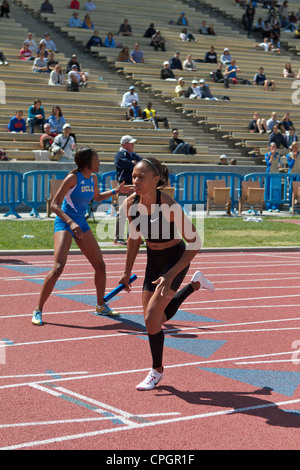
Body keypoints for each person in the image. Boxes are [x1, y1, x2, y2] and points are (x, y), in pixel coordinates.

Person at [118, 156, 214, 390]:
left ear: (155, 179)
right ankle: (195, 285)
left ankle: (156, 371)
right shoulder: (129, 204)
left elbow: (195, 242)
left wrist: (171, 274)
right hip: (153, 260)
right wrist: (126, 271)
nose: (135, 180)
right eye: (133, 176)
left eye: (141, 176)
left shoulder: (168, 205)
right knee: (155, 321)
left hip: (175, 259)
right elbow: (133, 238)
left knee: (152, 318)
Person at [31, 146, 125, 326]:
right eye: (96, 159)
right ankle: (38, 309)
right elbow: (55, 205)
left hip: (80, 223)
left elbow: (96, 198)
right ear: (87, 162)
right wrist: (71, 222)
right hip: (65, 222)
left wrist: (116, 191)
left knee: (100, 265)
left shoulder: (94, 178)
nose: (99, 162)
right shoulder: (72, 178)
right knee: (58, 267)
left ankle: (100, 305)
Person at [114, 135, 142, 245]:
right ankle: (118, 237)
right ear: (124, 144)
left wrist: (135, 164)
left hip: (134, 185)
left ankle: (133, 236)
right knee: (122, 211)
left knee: (135, 211)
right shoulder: (120, 154)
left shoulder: (132, 155)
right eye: (131, 143)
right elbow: (129, 166)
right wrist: (133, 164)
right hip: (124, 185)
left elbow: (142, 163)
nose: (133, 145)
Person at [264, 142, 283, 212]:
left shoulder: (278, 155)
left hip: (276, 173)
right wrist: (272, 156)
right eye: (272, 147)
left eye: (275, 147)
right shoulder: (267, 155)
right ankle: (269, 206)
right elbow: (268, 164)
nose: (273, 148)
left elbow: (280, 162)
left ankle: (275, 206)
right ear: (270, 148)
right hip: (269, 173)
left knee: (276, 190)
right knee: (268, 190)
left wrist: (280, 165)